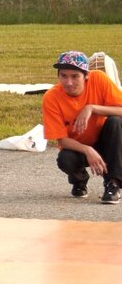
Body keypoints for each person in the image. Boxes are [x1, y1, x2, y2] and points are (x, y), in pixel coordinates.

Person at [41, 51, 122, 204]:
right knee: (65, 159)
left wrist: (92, 108)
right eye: (63, 76)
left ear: (86, 76)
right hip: (78, 147)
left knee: (115, 122)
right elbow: (62, 140)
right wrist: (87, 149)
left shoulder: (99, 79)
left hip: (106, 141)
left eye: (75, 76)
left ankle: (113, 183)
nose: (69, 82)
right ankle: (79, 180)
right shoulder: (51, 98)